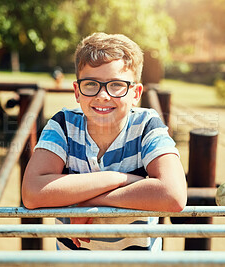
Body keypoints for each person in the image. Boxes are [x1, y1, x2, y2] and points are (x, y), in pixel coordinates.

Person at [22, 32, 187, 251]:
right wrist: (117, 178)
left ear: (135, 93)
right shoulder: (63, 125)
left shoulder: (146, 124)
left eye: (116, 85)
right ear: (77, 91)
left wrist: (91, 202)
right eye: (91, 84)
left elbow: (173, 195)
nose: (102, 96)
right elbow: (33, 193)